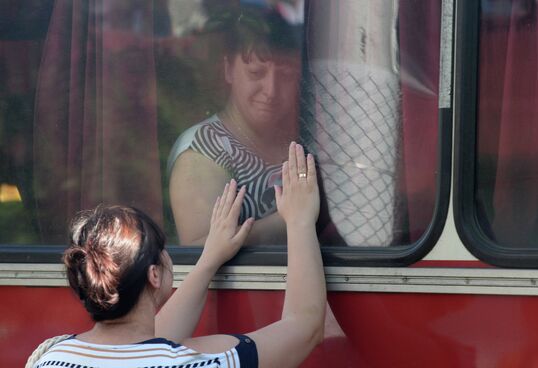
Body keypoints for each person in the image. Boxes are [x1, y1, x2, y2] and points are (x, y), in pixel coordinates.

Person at [34, 143, 326, 368]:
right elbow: (304, 328)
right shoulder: (197, 362)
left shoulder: (51, 355)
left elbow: (144, 344)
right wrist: (300, 220)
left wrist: (209, 260)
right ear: (154, 274)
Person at [168, 4, 302, 245]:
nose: (271, 91)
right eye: (256, 73)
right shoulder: (202, 152)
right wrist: (293, 219)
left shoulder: (301, 133)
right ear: (229, 70)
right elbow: (199, 251)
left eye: (285, 75)